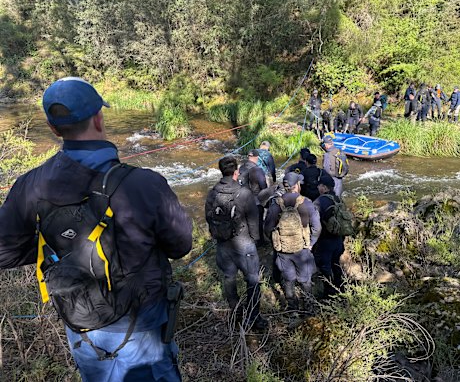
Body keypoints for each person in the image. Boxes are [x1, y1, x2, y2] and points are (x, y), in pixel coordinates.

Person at [0, 77, 193, 381]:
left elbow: (4, 252)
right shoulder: (144, 184)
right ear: (99, 119)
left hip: (81, 327)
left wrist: (58, 245)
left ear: (53, 128)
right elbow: (181, 245)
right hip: (143, 328)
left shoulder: (29, 185)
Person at [205, 156, 267, 330]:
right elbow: (254, 220)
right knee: (252, 279)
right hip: (244, 243)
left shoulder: (213, 192)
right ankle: (254, 318)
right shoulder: (244, 193)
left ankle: (236, 311)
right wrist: (255, 239)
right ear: (236, 172)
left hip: (223, 243)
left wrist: (216, 234)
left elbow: (208, 216)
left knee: (229, 277)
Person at [264, 172, 321, 312]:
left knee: (288, 278)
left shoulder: (276, 204)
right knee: (305, 279)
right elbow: (317, 227)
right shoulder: (306, 203)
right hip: (302, 248)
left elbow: (267, 228)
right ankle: (309, 308)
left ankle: (292, 308)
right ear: (297, 186)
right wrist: (311, 242)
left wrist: (276, 242)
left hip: (283, 250)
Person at [313, 174, 345, 298]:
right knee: (336, 264)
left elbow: (315, 224)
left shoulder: (319, 201)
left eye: (319, 185)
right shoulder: (338, 199)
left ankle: (329, 294)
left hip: (325, 241)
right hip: (338, 239)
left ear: (324, 187)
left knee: (325, 266)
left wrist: (312, 242)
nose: (318, 187)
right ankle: (341, 287)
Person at [238, 149, 268, 245]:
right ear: (256, 157)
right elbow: (263, 186)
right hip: (255, 200)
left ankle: (247, 239)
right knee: (258, 221)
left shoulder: (241, 168)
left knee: (246, 220)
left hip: (241, 199)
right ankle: (260, 241)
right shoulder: (257, 170)